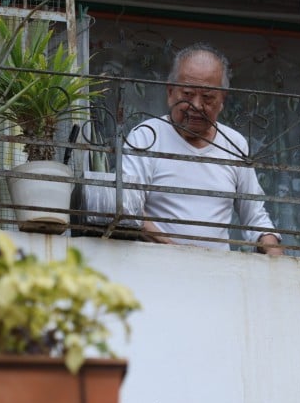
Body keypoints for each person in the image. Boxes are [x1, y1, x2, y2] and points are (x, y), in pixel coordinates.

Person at [121, 43, 283, 255]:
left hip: (217, 274)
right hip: (156, 266)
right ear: (170, 93)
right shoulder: (146, 136)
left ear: (222, 101)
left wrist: (277, 260)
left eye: (207, 97)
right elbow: (129, 208)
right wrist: (178, 253)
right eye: (187, 94)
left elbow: (255, 217)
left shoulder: (235, 144)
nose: (197, 106)